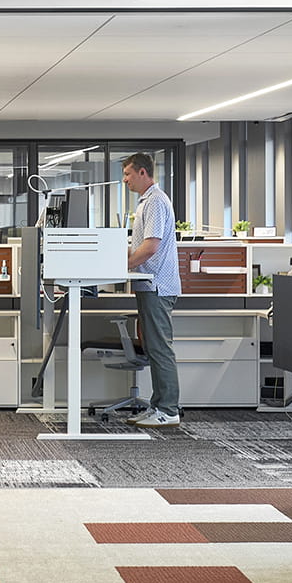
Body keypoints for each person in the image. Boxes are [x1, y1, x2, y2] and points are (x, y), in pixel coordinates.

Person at [120, 151, 182, 428]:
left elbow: (151, 246)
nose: (125, 180)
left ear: (143, 172)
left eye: (128, 174)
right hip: (149, 284)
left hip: (157, 285)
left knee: (160, 349)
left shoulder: (155, 201)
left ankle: (168, 410)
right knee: (155, 347)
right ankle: (159, 406)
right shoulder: (148, 201)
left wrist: (122, 267)